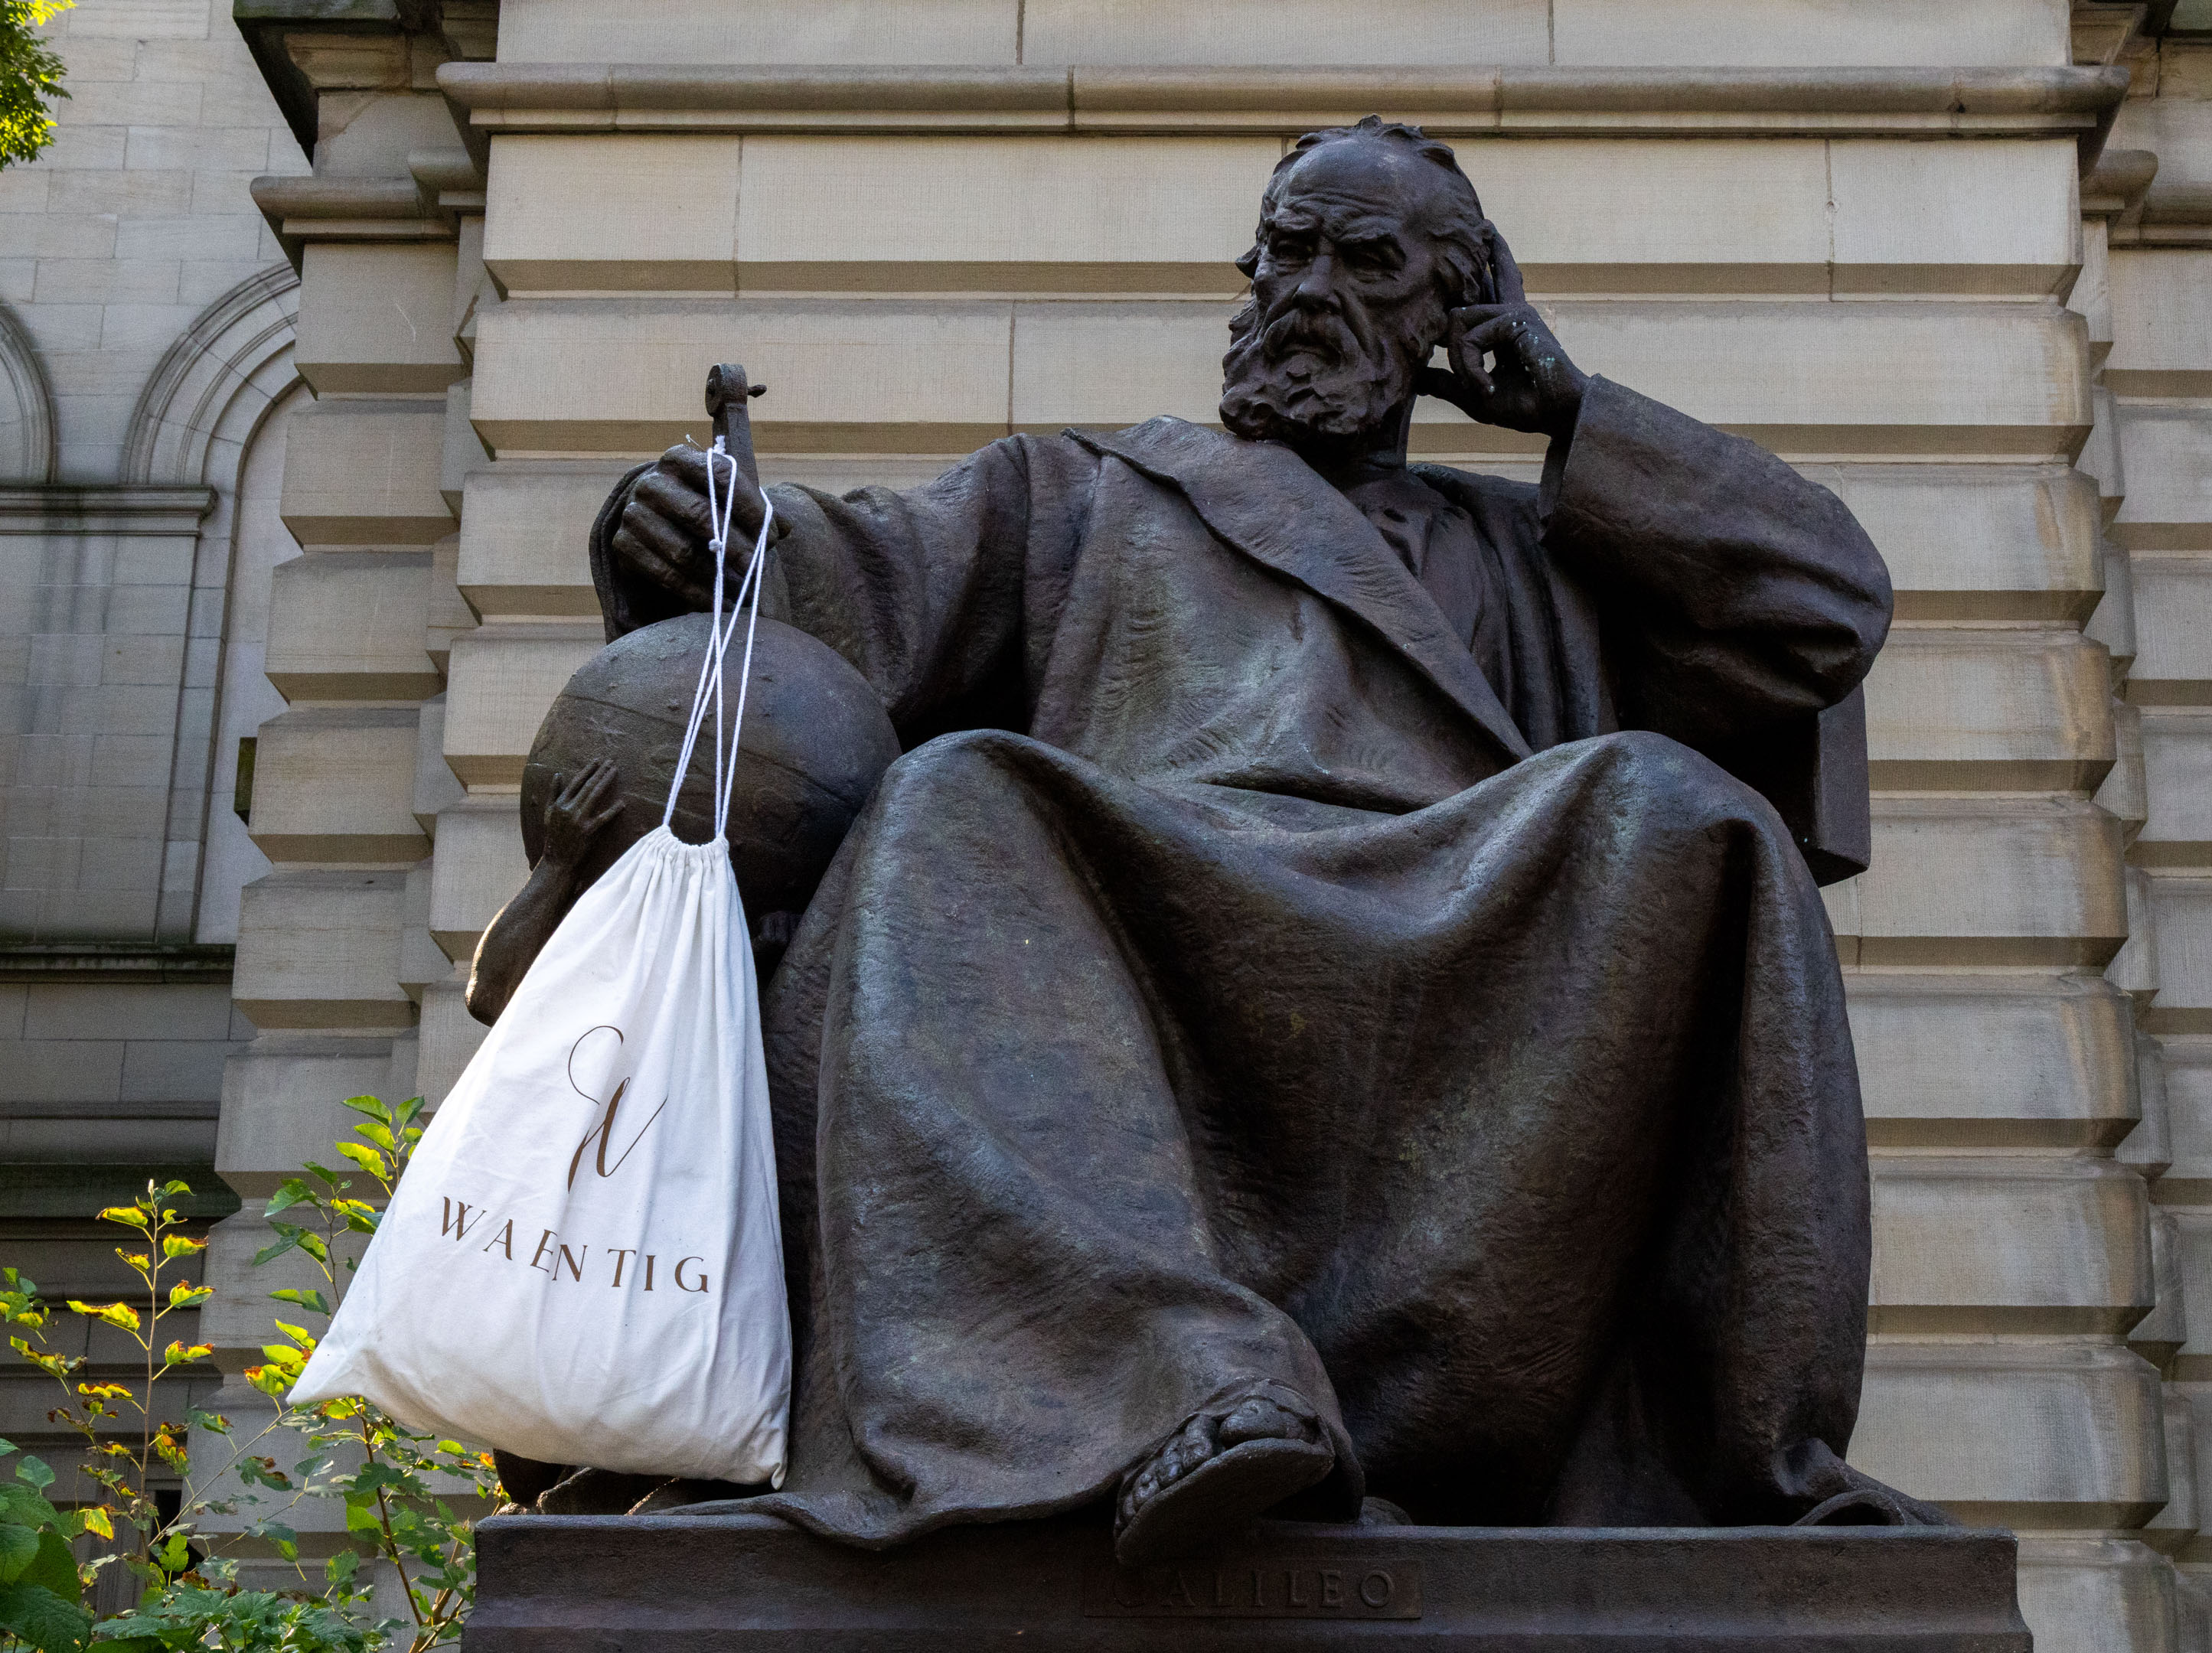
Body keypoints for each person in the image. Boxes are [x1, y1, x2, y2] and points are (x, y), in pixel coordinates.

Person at [585, 116, 1934, 1563]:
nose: (1310, 288)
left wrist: (1571, 410)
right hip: (1140, 923)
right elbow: (846, 589)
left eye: (1368, 260)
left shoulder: (1545, 552)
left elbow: (1819, 611)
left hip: (1475, 956)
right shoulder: (1091, 488)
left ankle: (1691, 1449)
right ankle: (1174, 1381)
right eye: (1287, 247)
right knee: (961, 791)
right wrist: (706, 534)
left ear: (1455, 313)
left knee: (1682, 807)